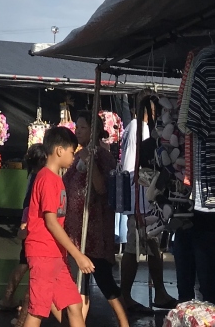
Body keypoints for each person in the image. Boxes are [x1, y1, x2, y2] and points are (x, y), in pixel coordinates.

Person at [21, 126, 93, 327]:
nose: (73, 157)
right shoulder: (47, 179)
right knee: (37, 311)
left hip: (56, 254)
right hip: (43, 252)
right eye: (72, 152)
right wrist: (78, 255)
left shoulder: (55, 179)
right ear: (60, 151)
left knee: (74, 304)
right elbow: (51, 222)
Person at [63, 115, 129, 327]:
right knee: (80, 284)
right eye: (77, 127)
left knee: (103, 278)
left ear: (94, 130)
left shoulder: (100, 156)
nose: (78, 131)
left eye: (83, 127)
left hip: (94, 228)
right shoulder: (77, 154)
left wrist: (90, 162)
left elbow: (101, 188)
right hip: (77, 230)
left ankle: (124, 322)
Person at [118, 96, 177, 313]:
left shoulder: (138, 129)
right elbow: (134, 168)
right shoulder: (138, 129)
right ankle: (126, 295)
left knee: (152, 247)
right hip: (141, 201)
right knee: (134, 249)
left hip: (146, 200)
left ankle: (159, 292)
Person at [1, 142, 48, 314]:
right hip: (32, 223)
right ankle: (24, 309)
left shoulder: (32, 175)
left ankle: (8, 298)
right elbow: (29, 204)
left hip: (28, 221)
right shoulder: (39, 177)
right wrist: (25, 223)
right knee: (31, 266)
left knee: (24, 263)